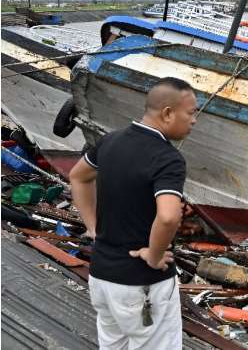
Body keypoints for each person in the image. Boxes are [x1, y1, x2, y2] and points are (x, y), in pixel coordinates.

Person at [70, 76, 198, 349]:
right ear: (167, 113)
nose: (194, 121)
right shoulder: (168, 159)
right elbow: (168, 216)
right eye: (190, 113)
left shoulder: (110, 141)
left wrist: (93, 228)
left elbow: (78, 177)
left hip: (102, 275)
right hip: (142, 285)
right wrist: (153, 256)